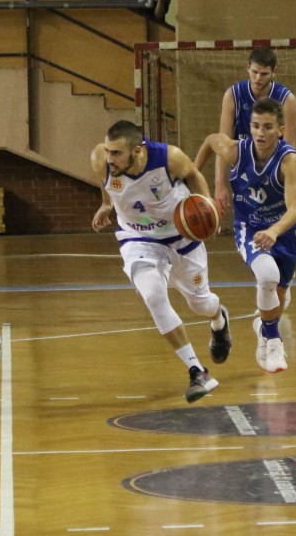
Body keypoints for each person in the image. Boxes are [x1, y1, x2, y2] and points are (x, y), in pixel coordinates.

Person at [91, 120, 231, 403]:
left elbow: (193, 175)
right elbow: (107, 184)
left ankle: (219, 319)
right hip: (139, 240)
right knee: (153, 295)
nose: (110, 158)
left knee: (201, 304)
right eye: (107, 151)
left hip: (182, 237)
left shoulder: (169, 158)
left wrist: (208, 207)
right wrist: (107, 204)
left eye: (116, 153)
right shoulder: (100, 160)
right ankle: (197, 371)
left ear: (138, 151)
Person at [195, 99, 296, 373]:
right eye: (255, 126)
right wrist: (192, 178)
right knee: (267, 276)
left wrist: (274, 231)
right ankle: (273, 340)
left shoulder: (288, 160)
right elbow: (210, 141)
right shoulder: (236, 150)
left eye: (267, 127)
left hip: (285, 231)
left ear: (280, 130)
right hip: (250, 228)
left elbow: (294, 210)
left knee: (279, 296)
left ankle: (263, 326)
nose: (260, 133)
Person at [215, 47, 296, 215]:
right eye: (254, 72)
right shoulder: (233, 95)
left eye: (264, 74)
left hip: (274, 172)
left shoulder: (287, 100)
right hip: (244, 172)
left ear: (274, 71)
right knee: (248, 222)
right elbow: (222, 144)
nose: (258, 78)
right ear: (247, 67)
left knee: (281, 219)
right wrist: (220, 185)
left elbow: (290, 147)